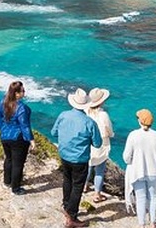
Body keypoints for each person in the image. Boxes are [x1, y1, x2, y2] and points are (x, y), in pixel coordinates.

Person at [51, 88, 102, 228]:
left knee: (67, 180)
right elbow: (98, 144)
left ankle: (66, 205)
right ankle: (71, 216)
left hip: (64, 155)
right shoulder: (89, 122)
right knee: (77, 186)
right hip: (80, 159)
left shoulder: (63, 115)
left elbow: (53, 132)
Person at [123, 108, 156, 228]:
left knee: (140, 198)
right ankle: (153, 222)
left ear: (139, 121)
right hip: (154, 172)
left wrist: (132, 161)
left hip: (137, 172)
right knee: (153, 197)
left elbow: (126, 157)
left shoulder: (133, 135)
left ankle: (141, 224)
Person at [0, 80, 35, 195]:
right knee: (18, 164)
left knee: (8, 159)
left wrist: (1, 129)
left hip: (4, 135)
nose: (24, 92)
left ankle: (7, 181)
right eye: (22, 91)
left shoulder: (2, 102)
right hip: (18, 138)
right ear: (16, 93)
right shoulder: (22, 108)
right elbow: (25, 126)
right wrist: (31, 140)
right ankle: (16, 188)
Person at [85, 87, 114, 203]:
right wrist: (111, 134)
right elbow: (109, 130)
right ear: (101, 101)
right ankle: (97, 194)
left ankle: (84, 186)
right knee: (99, 170)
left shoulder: (86, 111)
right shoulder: (103, 115)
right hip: (101, 144)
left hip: (88, 143)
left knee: (88, 166)